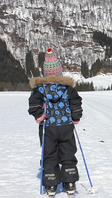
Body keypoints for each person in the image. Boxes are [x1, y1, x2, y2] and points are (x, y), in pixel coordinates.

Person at [28, 48, 83, 196]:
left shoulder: (40, 89)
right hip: (66, 126)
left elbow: (33, 103)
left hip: (48, 128)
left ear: (45, 72)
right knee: (68, 153)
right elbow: (76, 102)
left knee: (49, 155)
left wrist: (39, 115)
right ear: (59, 71)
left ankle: (51, 184)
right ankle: (70, 181)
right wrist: (75, 117)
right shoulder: (68, 88)